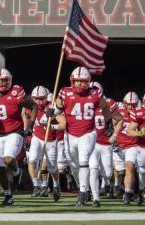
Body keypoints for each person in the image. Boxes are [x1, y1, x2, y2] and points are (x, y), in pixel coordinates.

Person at [46, 67, 113, 206]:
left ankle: (82, 194)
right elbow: (58, 110)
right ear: (72, 81)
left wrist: (108, 122)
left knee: (83, 160)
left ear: (88, 82)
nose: (78, 84)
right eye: (76, 81)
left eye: (82, 82)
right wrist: (51, 112)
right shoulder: (65, 92)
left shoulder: (95, 93)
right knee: (74, 166)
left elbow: (105, 107)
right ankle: (83, 187)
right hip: (70, 134)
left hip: (88, 133)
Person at [0, 68, 38, 206]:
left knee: (8, 159)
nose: (2, 83)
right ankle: (8, 195)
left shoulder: (16, 93)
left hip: (14, 132)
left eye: (4, 80)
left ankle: (16, 172)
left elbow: (34, 106)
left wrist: (30, 126)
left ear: (10, 81)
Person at [28, 86, 66, 201]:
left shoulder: (51, 107)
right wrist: (27, 128)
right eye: (36, 98)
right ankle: (36, 185)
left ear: (46, 98)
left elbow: (63, 124)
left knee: (52, 167)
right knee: (32, 160)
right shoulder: (31, 105)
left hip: (50, 140)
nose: (38, 101)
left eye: (41, 99)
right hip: (37, 137)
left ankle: (56, 184)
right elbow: (24, 112)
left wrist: (51, 125)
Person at [90, 95, 123, 207]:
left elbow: (120, 120)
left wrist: (114, 134)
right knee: (93, 168)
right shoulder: (86, 105)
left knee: (107, 174)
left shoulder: (109, 104)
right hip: (92, 142)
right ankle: (95, 198)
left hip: (106, 144)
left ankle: (108, 183)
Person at [113, 91, 139, 204]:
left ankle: (128, 193)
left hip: (133, 145)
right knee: (120, 170)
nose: (131, 107)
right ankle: (132, 188)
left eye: (133, 105)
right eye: (129, 104)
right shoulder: (119, 113)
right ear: (124, 104)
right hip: (119, 145)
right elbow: (111, 125)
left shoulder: (140, 114)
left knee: (130, 166)